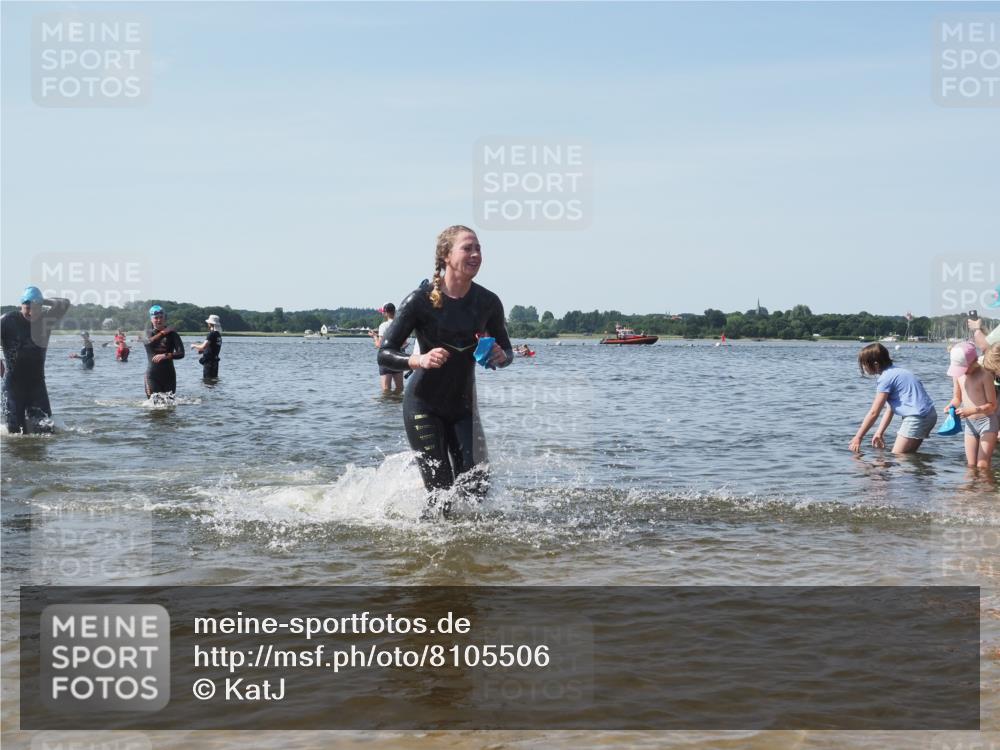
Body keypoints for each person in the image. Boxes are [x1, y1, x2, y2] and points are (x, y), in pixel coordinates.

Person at [378, 225, 513, 516]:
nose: (476, 254)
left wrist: (502, 356)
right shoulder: (419, 301)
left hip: (463, 407)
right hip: (423, 405)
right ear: (446, 255)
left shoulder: (488, 302)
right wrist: (418, 361)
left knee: (478, 486)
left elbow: (507, 352)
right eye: (468, 248)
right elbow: (385, 353)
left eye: (479, 248)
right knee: (441, 494)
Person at [1, 287, 71, 433]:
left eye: (37, 308)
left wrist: (41, 299)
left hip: (37, 383)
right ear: (21, 305)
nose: (32, 312)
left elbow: (64, 303)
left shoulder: (46, 319)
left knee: (46, 428)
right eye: (28, 307)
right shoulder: (7, 320)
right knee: (15, 431)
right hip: (13, 384)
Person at [849, 343, 936, 454]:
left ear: (875, 364)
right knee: (908, 456)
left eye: (864, 364)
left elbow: (874, 412)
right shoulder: (897, 371)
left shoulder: (885, 378)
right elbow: (890, 409)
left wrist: (858, 437)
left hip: (917, 417)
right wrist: (879, 432)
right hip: (929, 415)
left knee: (898, 457)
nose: (864, 368)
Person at [945, 341, 998, 470]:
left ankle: (986, 488)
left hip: (987, 422)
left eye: (964, 368)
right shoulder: (959, 376)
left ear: (973, 362)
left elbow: (992, 405)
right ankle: (971, 489)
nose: (962, 372)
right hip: (970, 424)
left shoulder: (985, 376)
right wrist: (951, 406)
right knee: (971, 465)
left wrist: (973, 410)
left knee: (982, 465)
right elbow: (957, 398)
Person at [142, 304, 184, 396]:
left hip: (169, 376)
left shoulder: (173, 334)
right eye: (156, 318)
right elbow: (148, 343)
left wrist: (165, 355)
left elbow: (181, 353)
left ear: (165, 318)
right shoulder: (147, 333)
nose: (159, 320)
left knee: (169, 405)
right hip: (152, 376)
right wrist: (163, 332)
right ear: (151, 319)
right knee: (155, 406)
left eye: (161, 317)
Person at [370, 303, 404, 394]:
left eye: (383, 312)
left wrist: (374, 336)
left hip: (386, 358)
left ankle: (387, 407)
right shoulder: (401, 324)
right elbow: (404, 343)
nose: (382, 314)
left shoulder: (383, 326)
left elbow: (379, 345)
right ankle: (396, 406)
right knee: (400, 388)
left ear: (386, 313)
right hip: (398, 357)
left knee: (386, 390)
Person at [192, 314, 222, 379]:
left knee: (207, 381)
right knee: (213, 380)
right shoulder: (218, 335)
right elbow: (213, 348)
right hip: (215, 361)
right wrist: (203, 351)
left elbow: (203, 346)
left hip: (209, 363)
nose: (207, 324)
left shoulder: (211, 334)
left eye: (208, 322)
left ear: (210, 324)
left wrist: (194, 345)